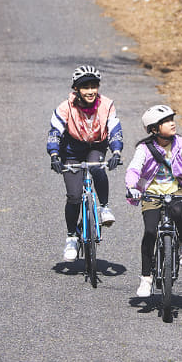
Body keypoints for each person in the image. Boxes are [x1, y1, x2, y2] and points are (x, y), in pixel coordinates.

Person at [124, 104, 182, 298]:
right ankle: (146, 278)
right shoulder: (144, 148)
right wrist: (132, 188)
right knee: (150, 231)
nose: (172, 124)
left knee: (179, 213)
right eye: (165, 122)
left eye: (172, 119)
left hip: (176, 190)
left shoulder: (181, 144)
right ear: (154, 129)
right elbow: (134, 168)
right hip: (151, 193)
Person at [47, 65, 124, 262]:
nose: (90, 91)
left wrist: (116, 151)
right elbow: (55, 132)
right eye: (85, 87)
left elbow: (115, 128)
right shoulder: (65, 107)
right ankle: (71, 237)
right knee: (73, 196)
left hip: (96, 146)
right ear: (76, 89)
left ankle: (104, 206)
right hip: (71, 150)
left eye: (93, 86)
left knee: (97, 167)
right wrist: (54, 155)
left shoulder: (107, 105)